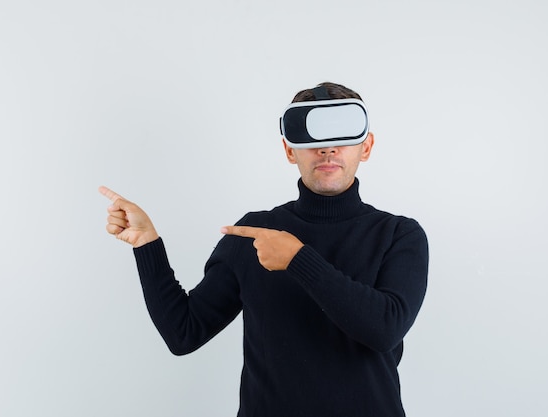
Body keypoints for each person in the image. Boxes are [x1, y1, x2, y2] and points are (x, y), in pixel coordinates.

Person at [99, 82, 429, 417]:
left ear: (367, 146)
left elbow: (384, 329)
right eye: (311, 137)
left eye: (341, 136)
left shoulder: (400, 235)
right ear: (289, 150)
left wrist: (298, 260)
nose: (327, 150)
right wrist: (147, 244)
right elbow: (183, 332)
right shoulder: (255, 234)